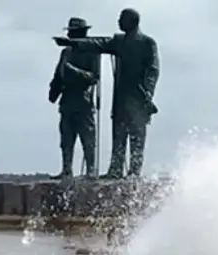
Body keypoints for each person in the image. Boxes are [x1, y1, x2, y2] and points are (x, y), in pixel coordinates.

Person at [53, 8, 159, 179]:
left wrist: (148, 92)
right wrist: (73, 43)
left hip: (139, 98)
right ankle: (115, 169)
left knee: (137, 137)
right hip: (121, 97)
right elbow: (98, 43)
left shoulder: (147, 43)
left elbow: (153, 70)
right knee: (119, 134)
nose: (118, 22)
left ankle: (133, 172)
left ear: (132, 21)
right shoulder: (118, 41)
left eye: (121, 19)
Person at [48, 17, 101, 179]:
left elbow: (94, 77)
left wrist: (73, 71)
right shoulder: (66, 52)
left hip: (83, 101)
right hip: (67, 101)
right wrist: (53, 91)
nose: (70, 35)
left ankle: (91, 170)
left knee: (87, 137)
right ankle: (66, 169)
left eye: (73, 32)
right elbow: (58, 74)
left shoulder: (92, 52)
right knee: (66, 139)